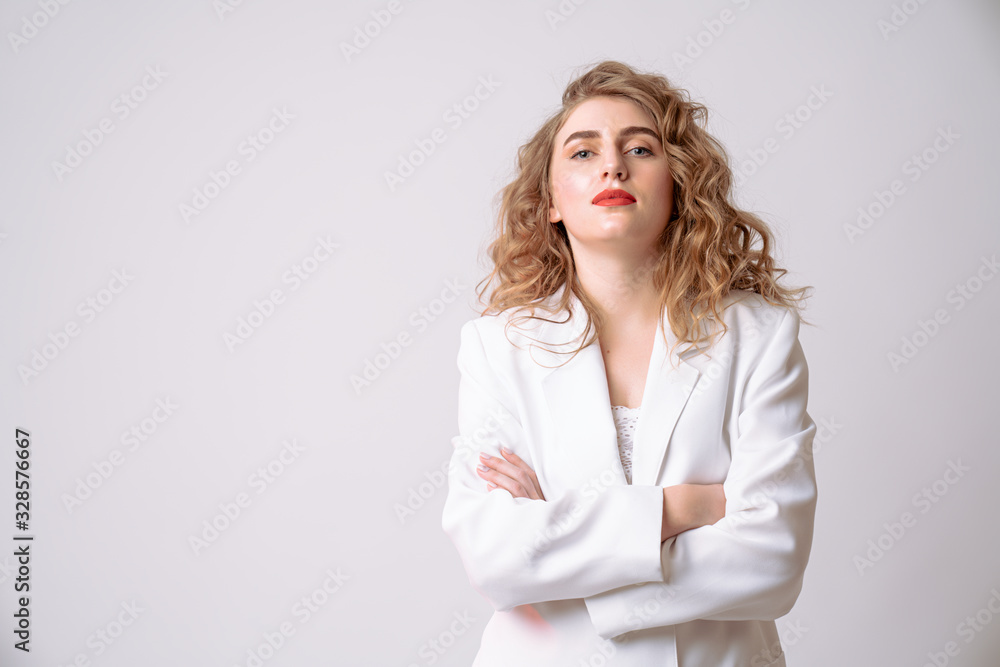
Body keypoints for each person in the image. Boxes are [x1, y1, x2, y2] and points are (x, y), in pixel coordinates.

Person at [441, 59, 818, 666]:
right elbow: (497, 559)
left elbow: (772, 560)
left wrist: (563, 549)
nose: (613, 165)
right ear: (550, 203)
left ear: (678, 184)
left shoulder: (759, 335)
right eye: (583, 153)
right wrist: (691, 507)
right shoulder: (497, 345)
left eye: (640, 148)